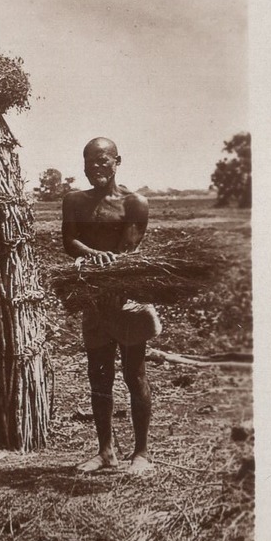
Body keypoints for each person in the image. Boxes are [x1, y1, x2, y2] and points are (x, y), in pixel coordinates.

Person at [61, 137, 157, 477]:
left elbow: (128, 250)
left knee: (135, 375)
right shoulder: (74, 201)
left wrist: (110, 265)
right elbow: (69, 240)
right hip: (94, 300)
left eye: (103, 161)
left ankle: (141, 454)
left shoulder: (135, 203)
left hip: (125, 298)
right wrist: (91, 254)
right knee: (98, 377)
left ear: (118, 161)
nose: (95, 168)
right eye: (89, 162)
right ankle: (106, 452)